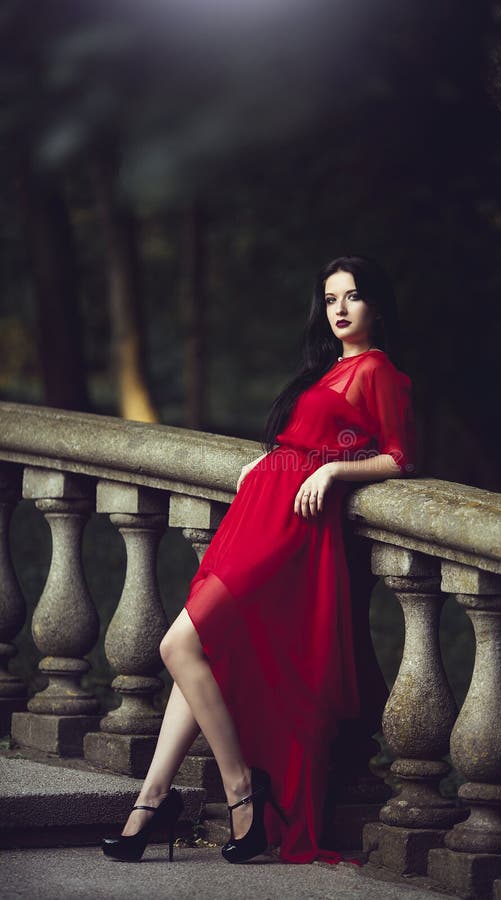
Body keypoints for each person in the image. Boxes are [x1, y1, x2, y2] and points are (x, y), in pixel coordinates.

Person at [101, 254, 418, 865]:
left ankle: (242, 788)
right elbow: (306, 437)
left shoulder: (380, 371)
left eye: (352, 297)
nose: (340, 309)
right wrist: (269, 460)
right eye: (330, 299)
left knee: (178, 645)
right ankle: (152, 800)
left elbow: (400, 457)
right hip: (259, 513)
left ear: (376, 306)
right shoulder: (326, 370)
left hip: (291, 533)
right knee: (200, 648)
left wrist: (331, 469)